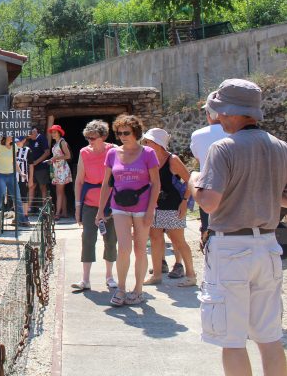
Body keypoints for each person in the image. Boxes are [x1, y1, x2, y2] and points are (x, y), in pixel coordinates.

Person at [191, 79, 287, 376]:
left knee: (231, 339)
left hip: (231, 247)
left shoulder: (224, 148)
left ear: (233, 112)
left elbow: (209, 203)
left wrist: (194, 181)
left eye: (221, 112)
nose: (219, 118)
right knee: (269, 336)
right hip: (269, 246)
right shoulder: (281, 147)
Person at [96, 114, 160, 306]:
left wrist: (151, 210)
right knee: (124, 248)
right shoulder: (112, 154)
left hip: (142, 207)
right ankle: (121, 289)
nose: (123, 136)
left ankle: (138, 289)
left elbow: (156, 184)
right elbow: (107, 184)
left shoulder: (148, 153)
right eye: (119, 133)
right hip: (119, 206)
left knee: (141, 249)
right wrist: (100, 210)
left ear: (136, 133)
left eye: (127, 133)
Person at [140, 128, 197, 287]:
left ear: (158, 144)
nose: (146, 144)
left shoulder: (173, 160)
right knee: (155, 239)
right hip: (154, 205)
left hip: (173, 205)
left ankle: (191, 275)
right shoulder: (147, 159)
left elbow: (189, 180)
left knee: (178, 240)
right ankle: (157, 275)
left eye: (149, 141)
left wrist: (185, 201)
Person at [72, 120, 117, 291]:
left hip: (110, 204)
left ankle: (109, 276)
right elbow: (79, 181)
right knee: (87, 239)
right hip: (90, 203)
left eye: (93, 137)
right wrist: (77, 207)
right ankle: (85, 279)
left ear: (103, 136)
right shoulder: (84, 152)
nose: (90, 141)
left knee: (111, 240)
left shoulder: (113, 150)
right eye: (88, 137)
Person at [190, 91, 228, 237]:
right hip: (234, 188)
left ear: (209, 113)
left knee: (209, 230)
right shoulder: (238, 133)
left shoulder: (198, 135)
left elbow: (199, 158)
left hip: (208, 187)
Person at [0, 135, 31, 229]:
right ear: (5, 137)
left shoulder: (14, 147)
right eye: (11, 137)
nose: (12, 139)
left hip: (11, 175)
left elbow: (14, 161)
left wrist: (20, 173)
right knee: (0, 199)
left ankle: (21, 220)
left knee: (17, 198)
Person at [48, 124, 72, 220]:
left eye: (54, 132)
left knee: (59, 192)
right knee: (61, 192)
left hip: (62, 169)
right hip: (58, 168)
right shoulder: (56, 143)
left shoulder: (62, 142)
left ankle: (57, 213)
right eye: (52, 132)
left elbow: (68, 156)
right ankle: (64, 212)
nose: (53, 134)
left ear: (59, 133)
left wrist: (56, 158)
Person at [26, 127, 51, 212]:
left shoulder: (42, 138)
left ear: (35, 132)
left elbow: (47, 152)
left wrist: (37, 162)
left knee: (43, 187)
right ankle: (29, 207)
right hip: (32, 168)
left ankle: (44, 208)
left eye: (30, 135)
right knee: (31, 186)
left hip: (41, 168)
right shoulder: (30, 140)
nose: (28, 137)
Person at [15, 136, 31, 218]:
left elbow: (31, 165)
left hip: (23, 178)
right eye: (16, 141)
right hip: (13, 178)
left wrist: (30, 179)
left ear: (24, 140)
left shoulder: (27, 150)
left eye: (19, 141)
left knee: (24, 196)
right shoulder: (12, 149)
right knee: (14, 197)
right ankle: (16, 216)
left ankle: (25, 216)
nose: (17, 143)